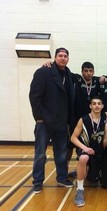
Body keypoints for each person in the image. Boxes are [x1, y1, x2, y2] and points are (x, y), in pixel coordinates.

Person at [29, 47, 75, 193]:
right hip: (45, 122)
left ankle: (61, 177)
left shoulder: (69, 75)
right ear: (55, 57)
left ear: (68, 59)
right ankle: (37, 181)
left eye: (65, 56)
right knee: (40, 153)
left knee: (61, 153)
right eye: (60, 55)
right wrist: (39, 118)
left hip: (61, 122)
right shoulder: (43, 72)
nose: (63, 58)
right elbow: (34, 96)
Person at [71, 96, 107, 207]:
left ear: (102, 106)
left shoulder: (105, 117)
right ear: (90, 106)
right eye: (94, 104)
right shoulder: (83, 119)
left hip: (98, 152)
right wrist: (85, 149)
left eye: (99, 104)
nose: (96, 106)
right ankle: (80, 190)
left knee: (93, 180)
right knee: (83, 158)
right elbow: (73, 138)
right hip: (86, 149)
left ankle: (78, 172)